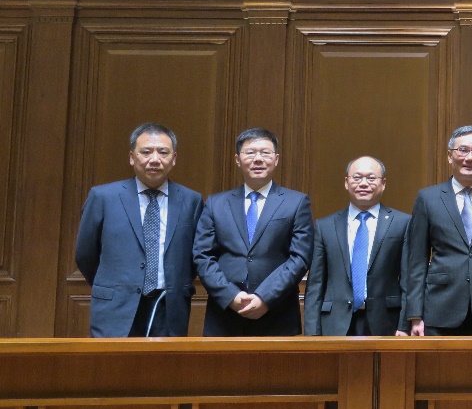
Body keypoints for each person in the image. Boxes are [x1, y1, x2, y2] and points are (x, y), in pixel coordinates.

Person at [74, 123, 205, 337]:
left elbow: (195, 256)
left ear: (174, 159)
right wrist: (115, 285)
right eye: (146, 152)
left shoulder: (191, 200)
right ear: (132, 157)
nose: (155, 159)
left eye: (163, 152)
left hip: (168, 306)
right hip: (115, 307)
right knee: (114, 367)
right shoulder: (103, 197)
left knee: (164, 369)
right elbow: (85, 253)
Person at [193, 128, 314, 336]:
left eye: (265, 153)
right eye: (250, 153)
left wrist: (265, 297)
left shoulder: (296, 202)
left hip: (277, 313)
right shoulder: (216, 203)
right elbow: (202, 256)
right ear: (238, 159)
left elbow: (300, 257)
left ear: (276, 159)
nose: (258, 159)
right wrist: (232, 296)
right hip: (225, 315)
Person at [402, 126, 472, 336]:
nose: (470, 158)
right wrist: (415, 315)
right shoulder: (428, 198)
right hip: (439, 308)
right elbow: (416, 261)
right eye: (462, 150)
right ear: (449, 156)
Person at [305, 156, 411, 336]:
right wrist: (312, 333)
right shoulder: (325, 226)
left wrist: (404, 325)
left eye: (371, 178)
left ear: (383, 183)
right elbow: (315, 283)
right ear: (346, 182)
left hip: (387, 322)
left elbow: (409, 280)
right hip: (334, 322)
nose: (363, 183)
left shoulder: (402, 223)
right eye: (357, 177)